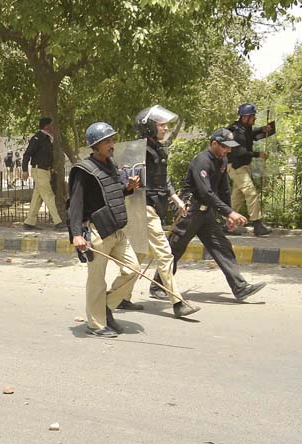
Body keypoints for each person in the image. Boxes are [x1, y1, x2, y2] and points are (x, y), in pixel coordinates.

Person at [153, 129, 267, 302]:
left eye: (229, 148)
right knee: (174, 249)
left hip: (207, 215)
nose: (228, 151)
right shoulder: (202, 161)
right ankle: (158, 285)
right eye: (225, 147)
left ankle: (240, 287)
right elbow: (205, 192)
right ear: (214, 143)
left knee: (222, 247)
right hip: (189, 212)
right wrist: (230, 212)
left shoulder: (222, 160)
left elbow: (223, 189)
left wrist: (227, 214)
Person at [115, 105, 199, 318]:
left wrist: (176, 199)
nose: (165, 128)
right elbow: (127, 178)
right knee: (165, 252)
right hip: (144, 207)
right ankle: (178, 301)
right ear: (149, 128)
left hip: (154, 207)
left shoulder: (159, 148)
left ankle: (119, 296)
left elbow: (164, 179)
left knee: (139, 253)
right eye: (161, 125)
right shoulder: (139, 151)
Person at [69, 122, 141, 338]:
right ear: (96, 145)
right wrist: (76, 235)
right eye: (107, 141)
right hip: (97, 231)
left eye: (112, 140)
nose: (112, 145)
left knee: (133, 269)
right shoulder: (84, 171)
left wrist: (127, 188)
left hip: (117, 230)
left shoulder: (110, 164)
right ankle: (96, 324)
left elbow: (111, 194)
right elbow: (75, 204)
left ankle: (107, 305)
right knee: (96, 281)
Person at [226, 103, 273, 236]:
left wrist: (262, 130)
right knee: (251, 193)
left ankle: (228, 225)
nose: (255, 119)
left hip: (243, 167)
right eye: (253, 116)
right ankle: (257, 225)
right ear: (245, 117)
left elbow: (249, 135)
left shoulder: (244, 129)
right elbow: (238, 151)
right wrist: (258, 154)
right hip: (237, 167)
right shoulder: (234, 132)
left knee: (237, 197)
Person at [21, 117, 65, 230]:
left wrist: (50, 168)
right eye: (51, 125)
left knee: (38, 197)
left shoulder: (47, 139)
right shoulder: (38, 138)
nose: (53, 127)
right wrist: (24, 170)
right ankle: (58, 222)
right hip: (38, 170)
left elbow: (45, 156)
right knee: (49, 196)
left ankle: (29, 222)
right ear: (46, 126)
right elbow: (27, 154)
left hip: (45, 171)